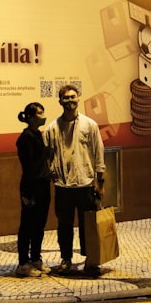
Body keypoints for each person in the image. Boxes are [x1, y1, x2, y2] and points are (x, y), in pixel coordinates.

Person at [45, 84, 106, 277]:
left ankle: (91, 260)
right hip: (63, 186)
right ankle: (66, 259)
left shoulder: (90, 125)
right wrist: (51, 170)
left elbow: (98, 153)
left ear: (78, 98)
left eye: (73, 97)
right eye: (66, 98)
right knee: (64, 225)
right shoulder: (52, 128)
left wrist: (100, 182)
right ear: (60, 101)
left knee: (88, 225)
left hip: (86, 183)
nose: (70, 101)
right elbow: (47, 155)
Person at [14, 102, 52, 278]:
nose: (42, 115)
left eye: (42, 112)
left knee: (39, 225)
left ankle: (36, 258)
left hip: (44, 185)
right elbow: (29, 167)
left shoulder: (38, 135)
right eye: (39, 113)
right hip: (32, 187)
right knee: (27, 225)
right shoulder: (26, 138)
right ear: (30, 117)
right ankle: (23, 263)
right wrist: (27, 195)